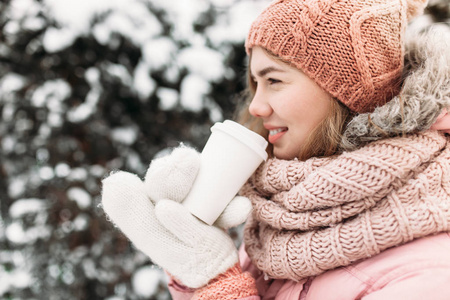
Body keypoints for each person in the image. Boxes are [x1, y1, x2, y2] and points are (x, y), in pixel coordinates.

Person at [101, 0, 450, 299]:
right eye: (255, 84)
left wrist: (217, 285)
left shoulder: (431, 269)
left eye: (274, 81)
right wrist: (196, 265)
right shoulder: (282, 219)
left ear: (345, 92)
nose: (256, 106)